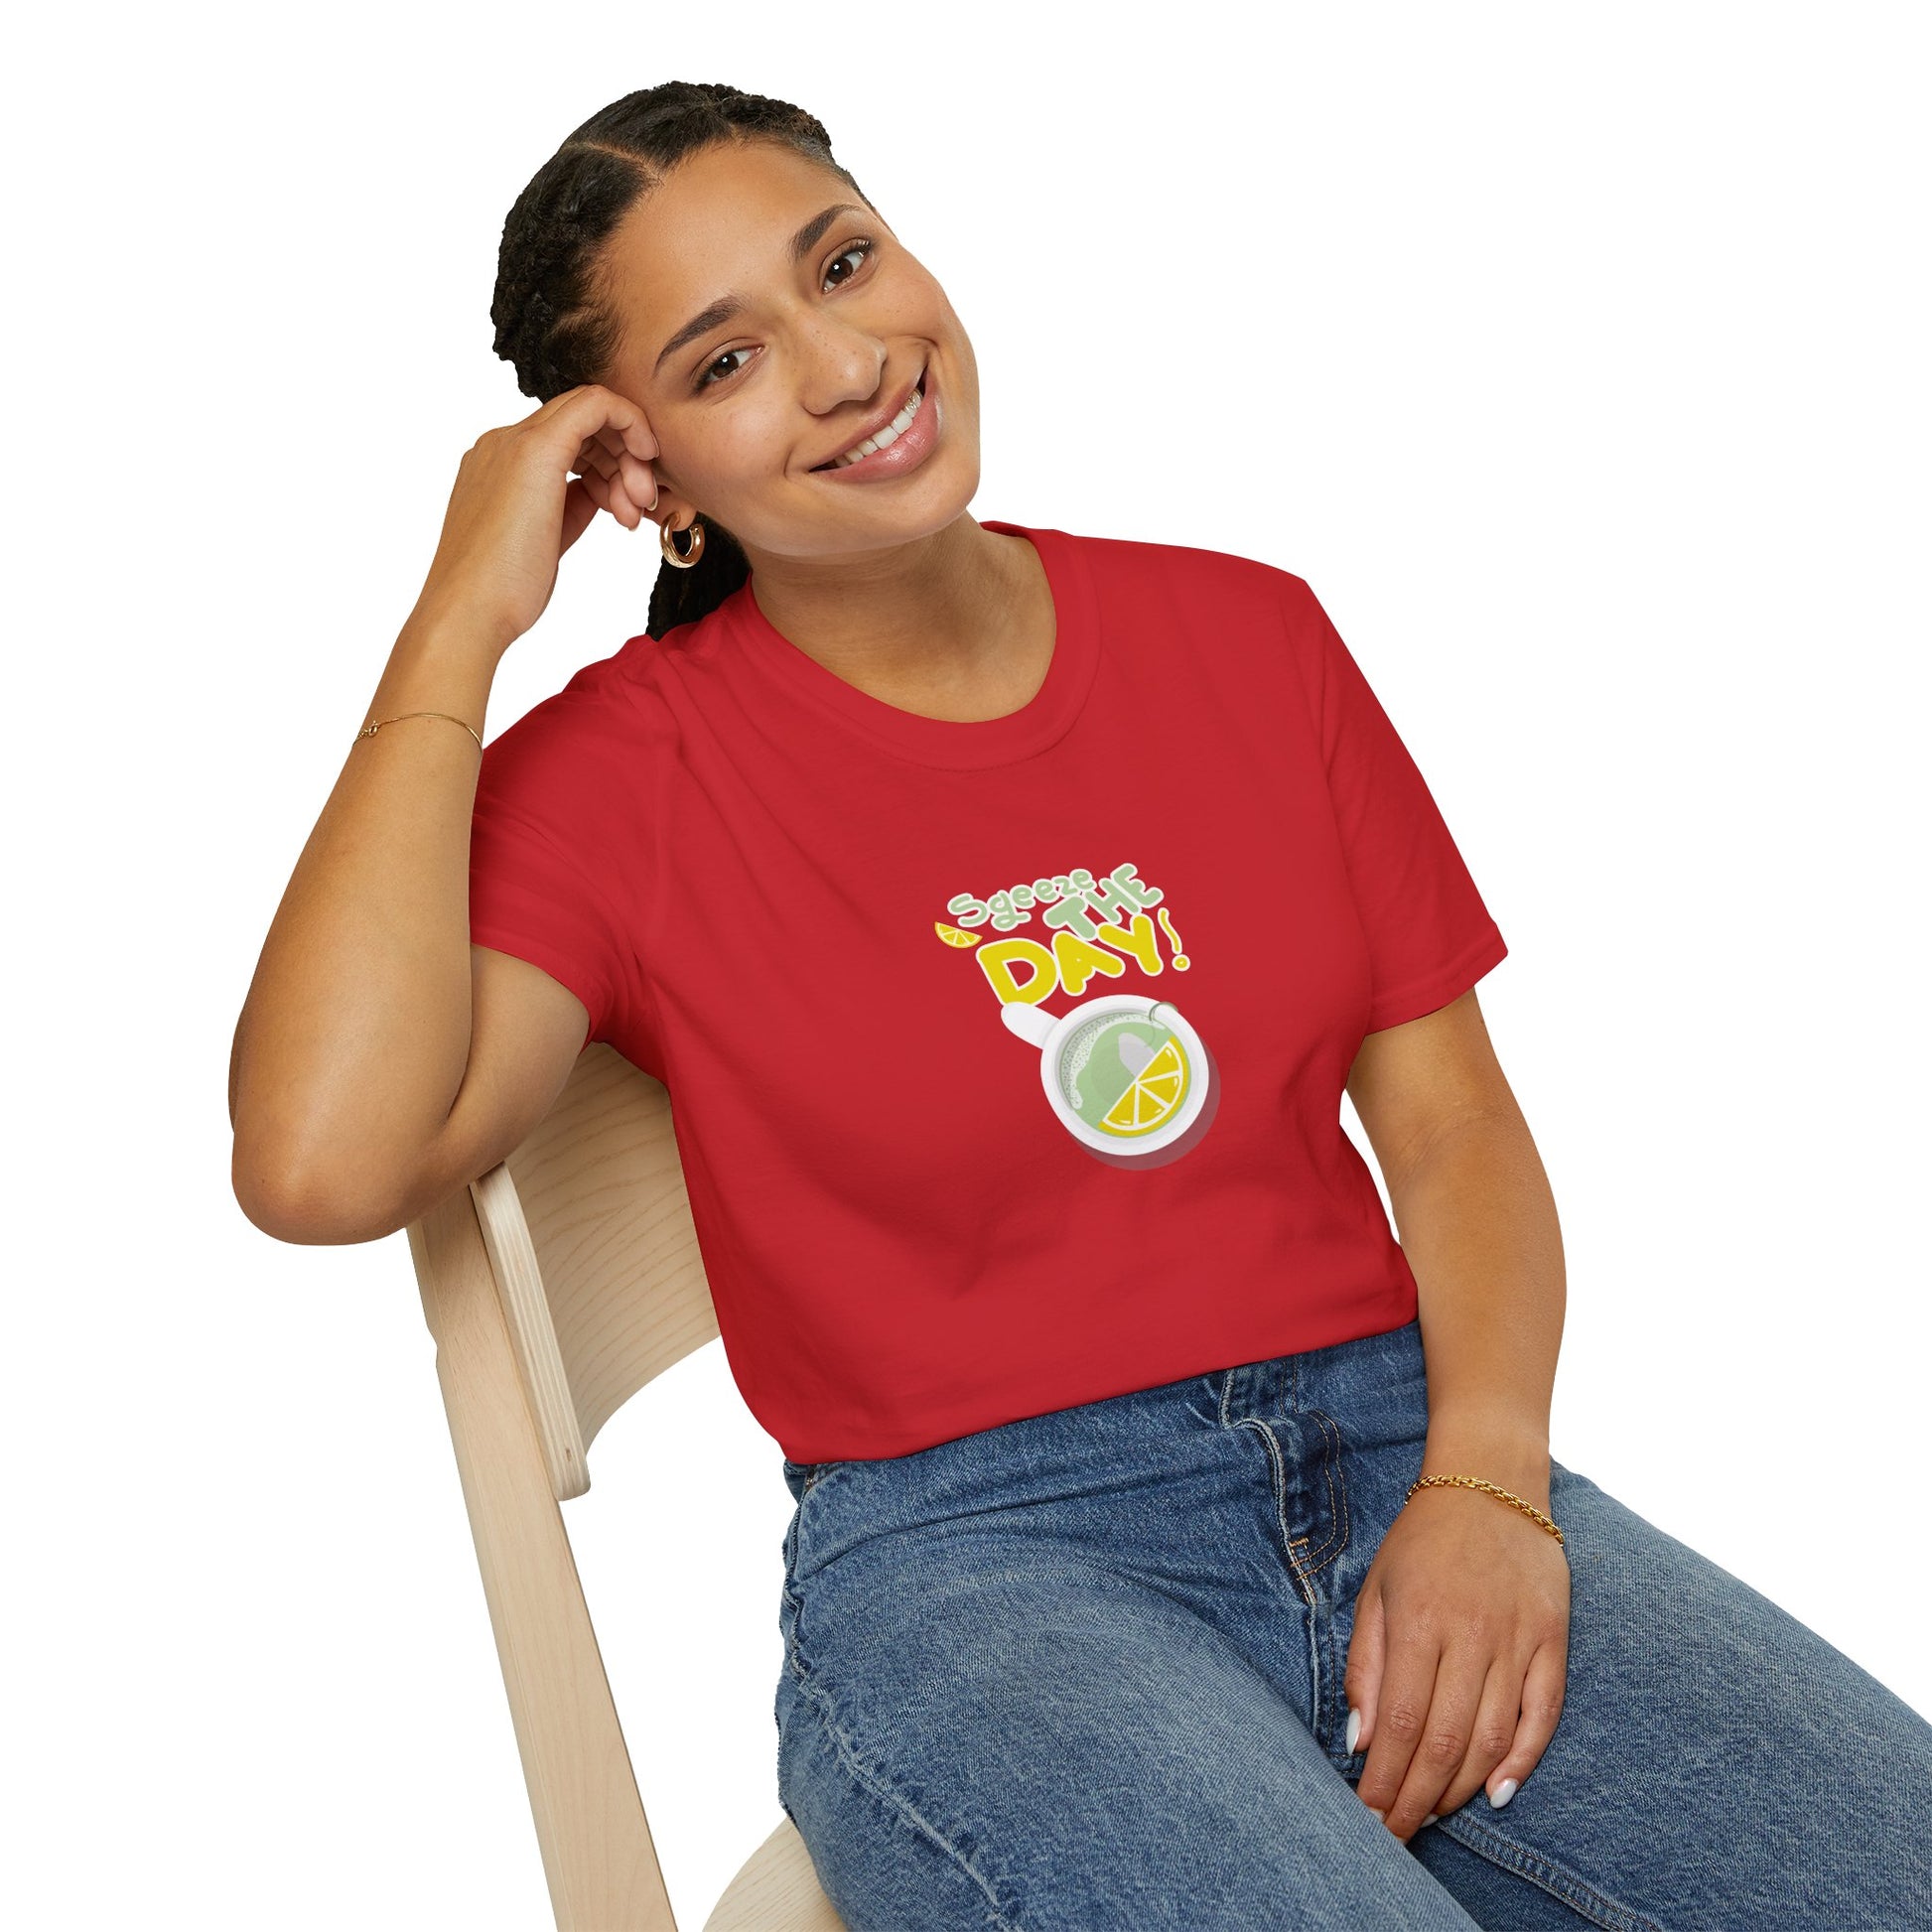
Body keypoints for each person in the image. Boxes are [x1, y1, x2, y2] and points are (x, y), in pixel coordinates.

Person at [228, 80, 1932, 1931]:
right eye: (726, 361)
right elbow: (320, 1161)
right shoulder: (626, 776)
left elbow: (1451, 1129)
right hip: (982, 1565)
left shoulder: (1250, 636)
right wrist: (458, 618)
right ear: (649, 480)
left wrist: (1489, 1482)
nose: (847, 365)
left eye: (843, 264)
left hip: (1405, 1448)